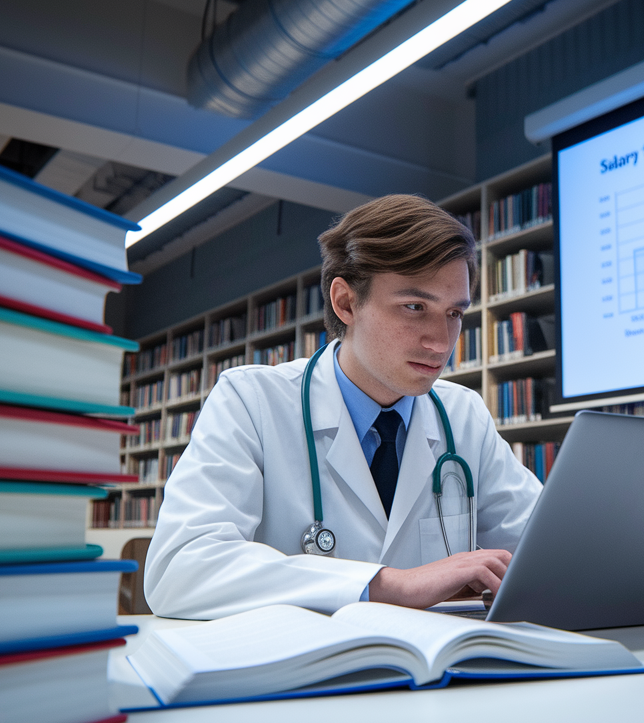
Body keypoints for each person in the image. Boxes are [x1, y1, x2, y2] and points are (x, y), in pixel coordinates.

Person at [144, 195, 542, 619]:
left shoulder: (464, 417)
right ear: (346, 303)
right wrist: (388, 584)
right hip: (302, 676)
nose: (441, 342)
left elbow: (552, 546)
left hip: (439, 672)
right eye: (414, 307)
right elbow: (179, 569)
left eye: (454, 313)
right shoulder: (252, 402)